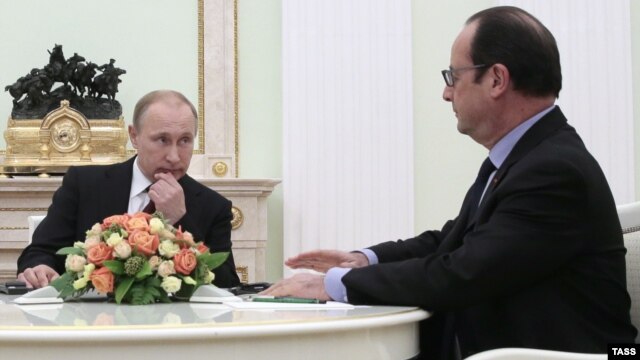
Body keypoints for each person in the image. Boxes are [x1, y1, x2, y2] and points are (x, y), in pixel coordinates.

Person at [262, 6, 637, 359]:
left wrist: (331, 286)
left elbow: (462, 273)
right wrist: (362, 260)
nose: (446, 93)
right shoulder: (525, 156)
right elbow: (451, 240)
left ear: (496, 79)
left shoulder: (553, 170)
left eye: (452, 77)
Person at [17, 89, 240, 289]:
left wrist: (182, 220)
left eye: (184, 141)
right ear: (134, 136)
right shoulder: (84, 184)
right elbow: (39, 252)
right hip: (90, 326)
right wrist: (39, 268)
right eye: (162, 140)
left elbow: (227, 284)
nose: (174, 156)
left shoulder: (214, 206)